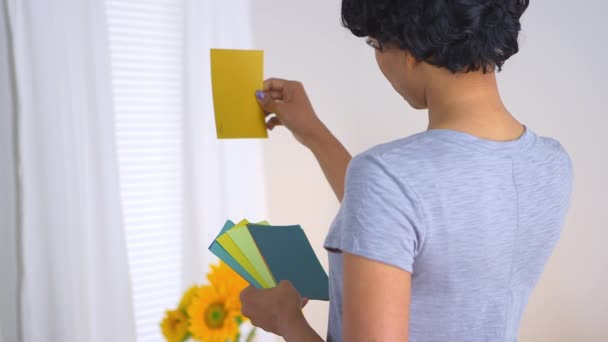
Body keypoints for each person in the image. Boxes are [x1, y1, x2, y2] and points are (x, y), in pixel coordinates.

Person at [239, 0, 573, 341]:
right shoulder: (551, 162)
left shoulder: (389, 176)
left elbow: (400, 201)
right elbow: (402, 219)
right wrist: (313, 132)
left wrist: (285, 319)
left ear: (409, 48)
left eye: (374, 45)